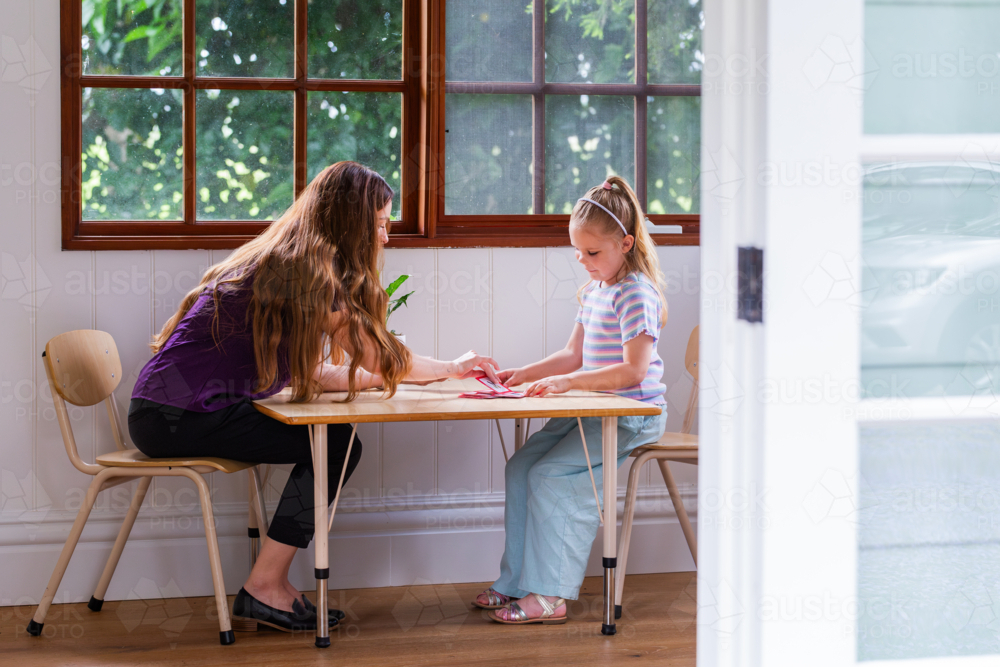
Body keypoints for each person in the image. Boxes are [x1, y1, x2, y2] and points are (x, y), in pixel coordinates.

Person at [128, 161, 498, 632]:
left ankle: (270, 584)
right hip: (175, 417)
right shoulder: (308, 273)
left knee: (333, 442)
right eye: (381, 224)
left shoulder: (283, 260)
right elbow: (377, 356)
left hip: (165, 412)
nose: (386, 237)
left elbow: (312, 372)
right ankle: (264, 585)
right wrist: (451, 369)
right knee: (336, 445)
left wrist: (377, 379)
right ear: (352, 224)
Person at [474, 176, 669, 625]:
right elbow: (571, 355)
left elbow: (633, 373)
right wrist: (524, 373)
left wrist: (572, 384)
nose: (583, 261)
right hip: (593, 408)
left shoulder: (636, 294)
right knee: (520, 467)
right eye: (578, 252)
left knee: (551, 478)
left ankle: (551, 595)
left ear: (626, 243)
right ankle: (516, 583)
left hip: (632, 415)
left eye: (593, 253)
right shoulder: (597, 290)